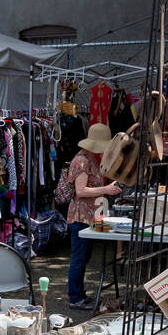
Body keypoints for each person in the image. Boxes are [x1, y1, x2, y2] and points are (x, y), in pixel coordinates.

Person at [64, 123, 121, 310]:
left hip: (89, 215)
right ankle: (75, 298)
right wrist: (106, 189)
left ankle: (78, 294)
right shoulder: (82, 161)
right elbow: (80, 191)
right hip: (81, 216)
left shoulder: (89, 159)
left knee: (83, 256)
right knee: (79, 257)